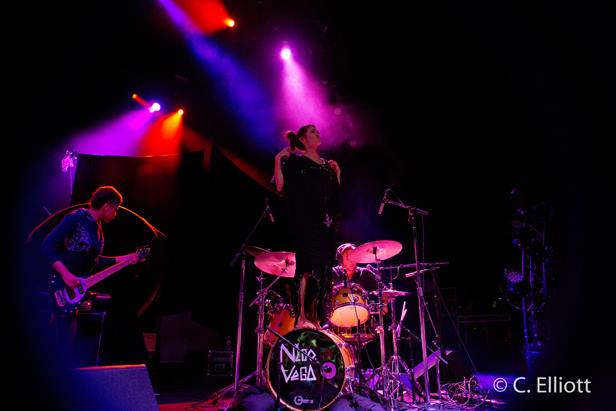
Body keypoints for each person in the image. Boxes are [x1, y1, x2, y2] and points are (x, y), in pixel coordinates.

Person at [41, 186, 143, 364]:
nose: (115, 213)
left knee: (67, 336)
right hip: (58, 282)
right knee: (55, 332)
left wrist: (126, 258)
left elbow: (95, 259)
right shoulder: (77, 217)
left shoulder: (98, 231)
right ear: (106, 206)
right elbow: (47, 246)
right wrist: (65, 275)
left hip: (74, 290)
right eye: (115, 209)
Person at [274, 124, 341, 329]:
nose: (317, 133)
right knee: (305, 269)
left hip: (324, 224)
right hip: (305, 222)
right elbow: (281, 187)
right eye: (312, 131)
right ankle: (301, 317)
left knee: (323, 271)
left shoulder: (326, 165)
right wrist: (277, 160)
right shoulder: (297, 162)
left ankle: (317, 319)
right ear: (303, 139)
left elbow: (335, 197)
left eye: (317, 130)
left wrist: (337, 173)